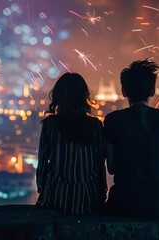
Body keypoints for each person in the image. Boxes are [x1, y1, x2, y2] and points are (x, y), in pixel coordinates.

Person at [104, 59, 159, 216]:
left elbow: (112, 168)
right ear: (153, 91)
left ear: (123, 91)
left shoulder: (113, 120)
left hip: (122, 204)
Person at [36, 72, 107, 215]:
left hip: (56, 196)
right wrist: (101, 192)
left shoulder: (50, 125)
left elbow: (43, 162)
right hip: (88, 197)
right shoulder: (95, 126)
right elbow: (100, 163)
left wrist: (42, 189)